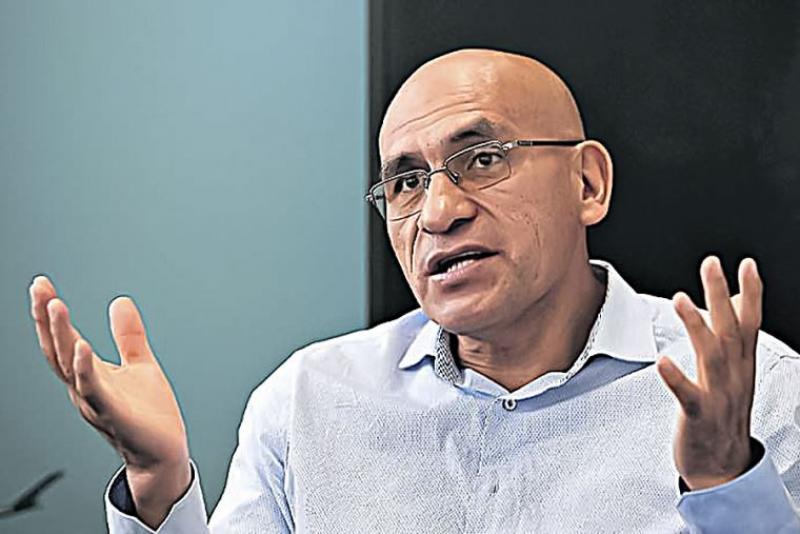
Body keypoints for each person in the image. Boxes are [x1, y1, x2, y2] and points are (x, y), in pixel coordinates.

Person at [27, 48, 800, 533]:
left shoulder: (754, 395)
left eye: (483, 159)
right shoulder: (307, 400)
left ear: (587, 183)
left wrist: (724, 484)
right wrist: (159, 485)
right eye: (404, 181)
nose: (438, 211)